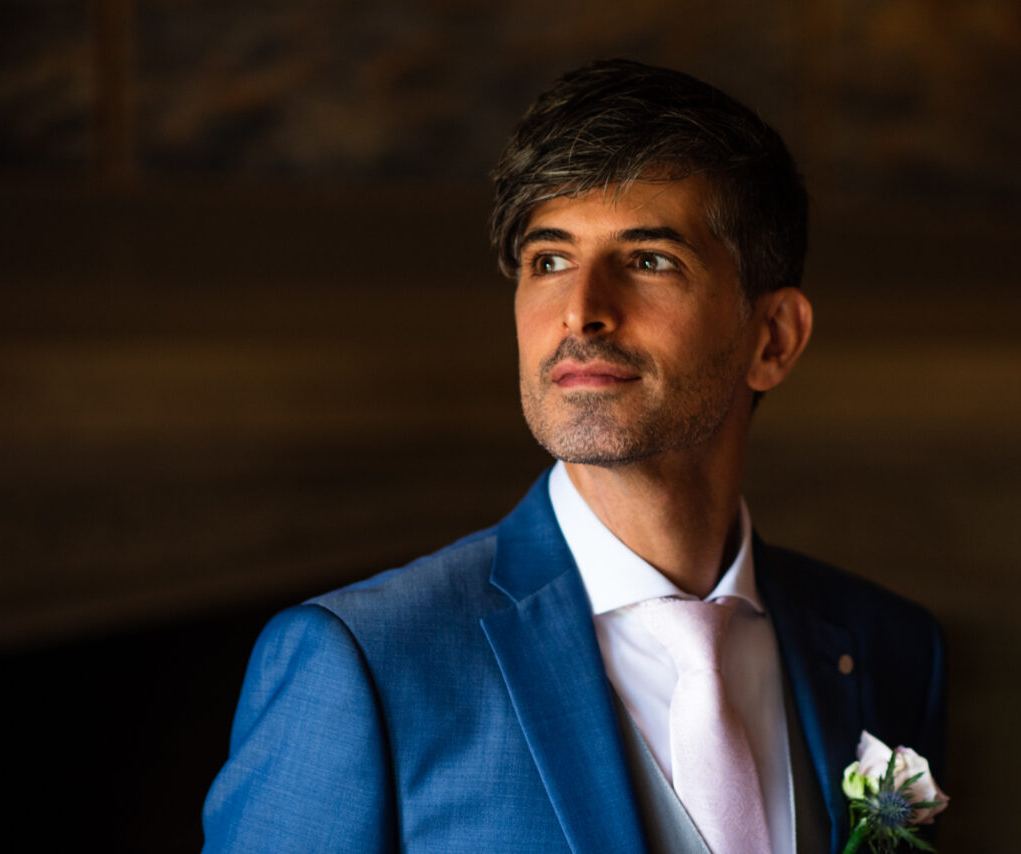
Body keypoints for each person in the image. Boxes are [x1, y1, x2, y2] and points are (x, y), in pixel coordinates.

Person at [201, 59, 946, 854]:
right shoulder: (364, 665)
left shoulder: (887, 648)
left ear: (773, 340)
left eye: (649, 259)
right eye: (549, 261)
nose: (581, 312)